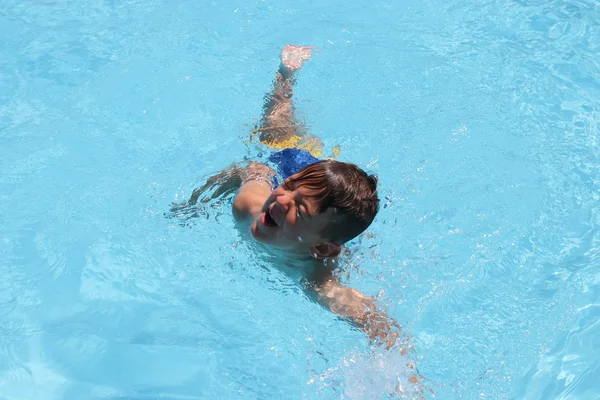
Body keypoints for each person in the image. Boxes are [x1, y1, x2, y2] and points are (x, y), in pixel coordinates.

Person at [178, 45, 401, 349]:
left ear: (323, 250)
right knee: (275, 128)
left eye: (300, 211)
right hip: (283, 164)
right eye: (290, 190)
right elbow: (251, 169)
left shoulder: (315, 277)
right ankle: (286, 75)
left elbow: (374, 322)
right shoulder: (250, 207)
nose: (281, 201)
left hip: (323, 213)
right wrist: (194, 204)